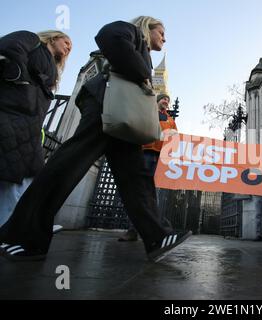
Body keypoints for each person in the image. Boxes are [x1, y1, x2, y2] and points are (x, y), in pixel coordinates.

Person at [0, 16, 191, 262]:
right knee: (69, 164)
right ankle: (22, 237)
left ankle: (157, 235)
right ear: (147, 27)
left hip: (121, 114)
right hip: (105, 105)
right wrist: (143, 73)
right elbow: (107, 35)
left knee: (136, 176)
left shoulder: (142, 50)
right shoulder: (130, 31)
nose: (164, 38)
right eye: (161, 32)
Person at [0, 30, 72, 228]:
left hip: (30, 125)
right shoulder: (31, 40)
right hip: (11, 115)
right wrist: (20, 79)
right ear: (53, 37)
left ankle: (28, 224)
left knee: (31, 176)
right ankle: (13, 227)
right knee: (12, 176)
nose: (68, 48)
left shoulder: (51, 67)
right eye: (66, 42)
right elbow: (9, 45)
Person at [118, 93, 177, 242]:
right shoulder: (148, 112)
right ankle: (133, 230)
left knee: (151, 193)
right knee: (139, 190)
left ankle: (151, 229)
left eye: (168, 100)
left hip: (160, 158)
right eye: (164, 99)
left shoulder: (171, 120)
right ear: (158, 100)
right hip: (144, 153)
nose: (166, 101)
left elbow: (175, 139)